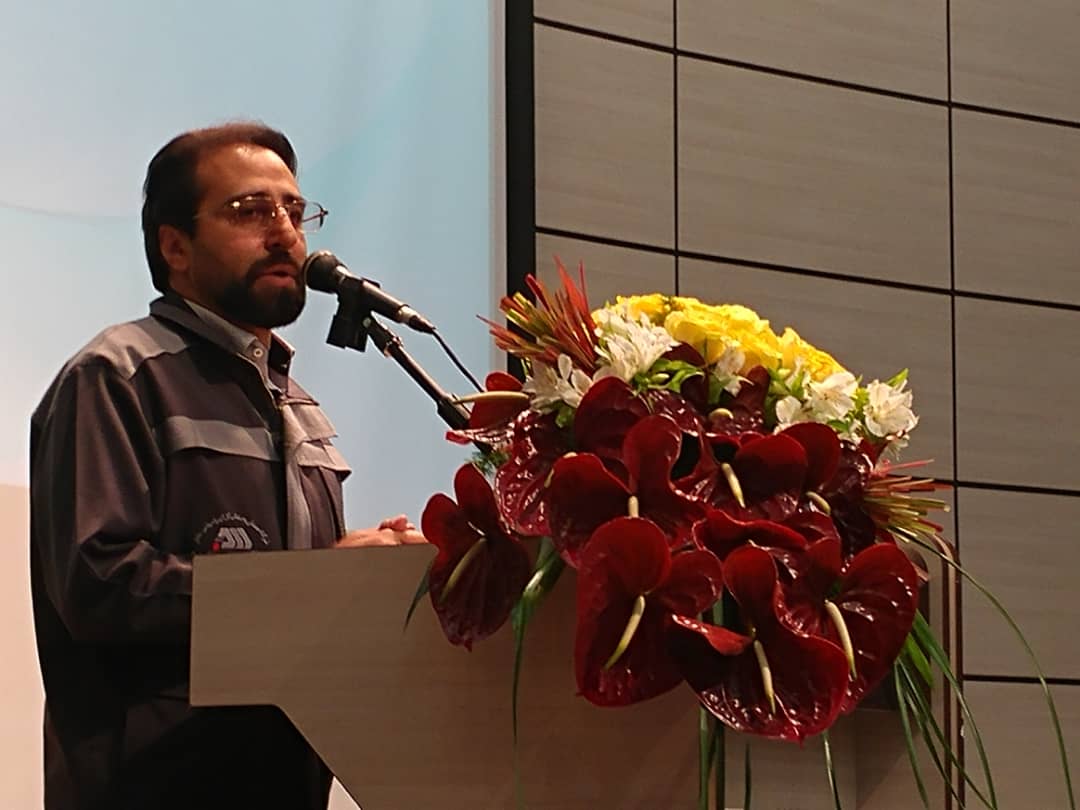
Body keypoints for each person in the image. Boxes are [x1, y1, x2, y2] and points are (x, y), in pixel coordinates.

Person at [29, 121, 424, 810]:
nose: (285, 233)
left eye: (294, 210)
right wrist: (319, 583)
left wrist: (371, 578)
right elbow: (100, 586)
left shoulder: (296, 403)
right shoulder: (117, 377)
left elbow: (303, 603)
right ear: (174, 246)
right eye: (250, 211)